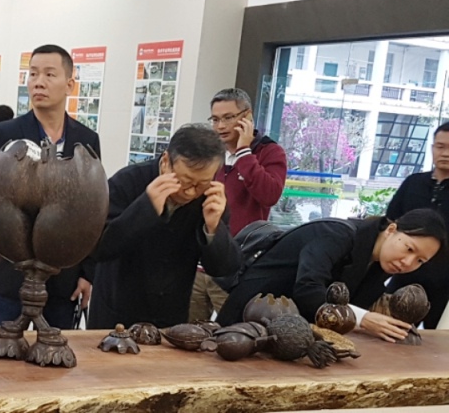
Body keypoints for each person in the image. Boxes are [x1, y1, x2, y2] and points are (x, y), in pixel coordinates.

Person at [0, 44, 101, 331]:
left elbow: (92, 209)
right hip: (11, 272)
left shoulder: (86, 140)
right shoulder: (5, 134)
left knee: (54, 360)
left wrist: (88, 273)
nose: (39, 81)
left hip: (64, 279)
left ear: (70, 84)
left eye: (50, 74)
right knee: (0, 358)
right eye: (33, 73)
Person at [88, 124, 242, 329]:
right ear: (166, 161)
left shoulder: (210, 197)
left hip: (170, 318)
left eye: (202, 183)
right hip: (116, 315)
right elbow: (99, 248)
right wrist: (145, 207)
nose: (190, 192)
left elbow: (223, 268)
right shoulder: (128, 181)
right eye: (184, 180)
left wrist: (214, 229)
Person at [216, 209, 446, 342]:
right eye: (409, 248)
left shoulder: (377, 266)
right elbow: (308, 288)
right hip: (247, 322)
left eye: (420, 261)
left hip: (288, 334)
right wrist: (363, 319)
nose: (408, 263)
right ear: (391, 230)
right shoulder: (337, 234)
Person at [188, 88, 287, 322]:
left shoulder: (269, 152)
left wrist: (244, 152)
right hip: (199, 264)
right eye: (215, 119)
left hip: (239, 267)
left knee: (234, 335)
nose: (220, 126)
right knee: (186, 334)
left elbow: (270, 195)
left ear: (247, 117)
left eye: (228, 118)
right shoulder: (210, 152)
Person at [384, 122, 449, 329]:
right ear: (432, 148)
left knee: (435, 347)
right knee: (385, 332)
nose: (445, 153)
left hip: (444, 284)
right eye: (440, 146)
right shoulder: (413, 183)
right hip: (402, 276)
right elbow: (390, 221)